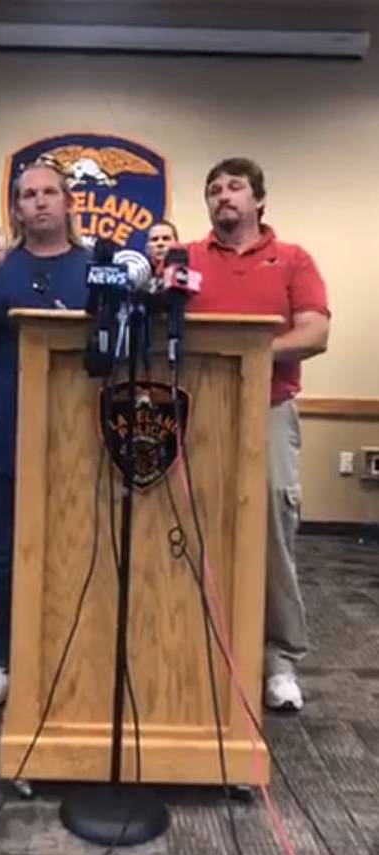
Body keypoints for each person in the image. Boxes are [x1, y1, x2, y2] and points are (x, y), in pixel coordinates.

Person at [186, 157, 330, 711]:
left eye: (235, 187)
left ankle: (279, 661)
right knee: (191, 522)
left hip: (267, 407)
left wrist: (252, 355)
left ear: (259, 201)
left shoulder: (291, 259)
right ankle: (197, 643)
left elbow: (315, 331)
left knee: (272, 522)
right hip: (196, 410)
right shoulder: (188, 259)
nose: (224, 196)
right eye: (214, 190)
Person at [0, 159, 89, 705]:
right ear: (15, 208)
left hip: (80, 440)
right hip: (4, 435)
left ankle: (76, 655)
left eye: (49, 193)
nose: (39, 202)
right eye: (28, 195)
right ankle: (2, 660)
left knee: (78, 552)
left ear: (67, 203)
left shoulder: (93, 266)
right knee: (5, 556)